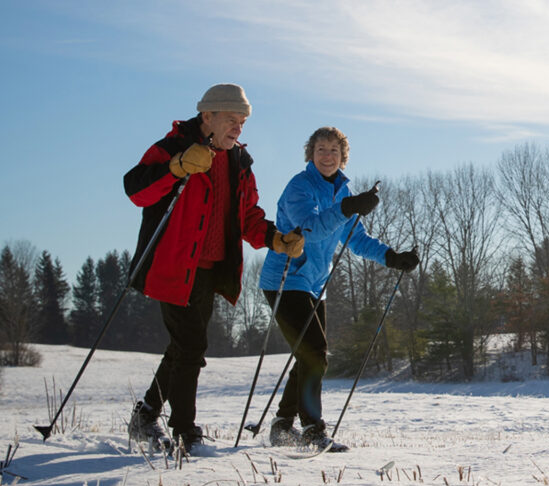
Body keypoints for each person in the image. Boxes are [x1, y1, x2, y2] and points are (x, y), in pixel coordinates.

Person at [124, 84, 305, 454]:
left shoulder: (239, 161)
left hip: (211, 270)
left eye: (242, 121)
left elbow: (248, 217)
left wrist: (276, 239)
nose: (238, 128)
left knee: (182, 347)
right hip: (173, 265)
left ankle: (145, 414)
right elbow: (136, 189)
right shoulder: (172, 147)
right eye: (231, 119)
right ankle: (185, 432)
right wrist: (176, 167)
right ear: (207, 116)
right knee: (191, 346)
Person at [259, 126, 419, 452]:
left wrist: (392, 258)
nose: (327, 156)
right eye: (321, 150)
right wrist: (347, 208)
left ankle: (282, 425)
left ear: (343, 156)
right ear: (311, 154)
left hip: (316, 284)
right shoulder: (299, 187)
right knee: (314, 354)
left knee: (310, 355)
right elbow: (311, 229)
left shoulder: (343, 193)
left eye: (334, 150)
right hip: (285, 280)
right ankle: (312, 431)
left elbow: (355, 239)